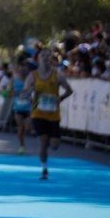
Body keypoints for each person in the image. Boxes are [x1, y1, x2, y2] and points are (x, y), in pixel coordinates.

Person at [29, 52, 73, 180]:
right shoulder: (34, 76)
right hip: (38, 113)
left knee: (54, 145)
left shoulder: (58, 75)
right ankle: (44, 169)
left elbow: (69, 90)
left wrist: (61, 98)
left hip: (53, 115)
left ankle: (46, 145)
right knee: (43, 143)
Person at [10, 61, 33, 153]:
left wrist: (33, 96)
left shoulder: (31, 79)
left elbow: (36, 90)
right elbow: (8, 93)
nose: (23, 71)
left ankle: (24, 139)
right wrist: (13, 93)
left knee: (27, 129)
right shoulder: (14, 80)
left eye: (25, 70)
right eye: (21, 69)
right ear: (18, 70)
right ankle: (21, 146)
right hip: (18, 108)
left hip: (29, 108)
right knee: (20, 128)